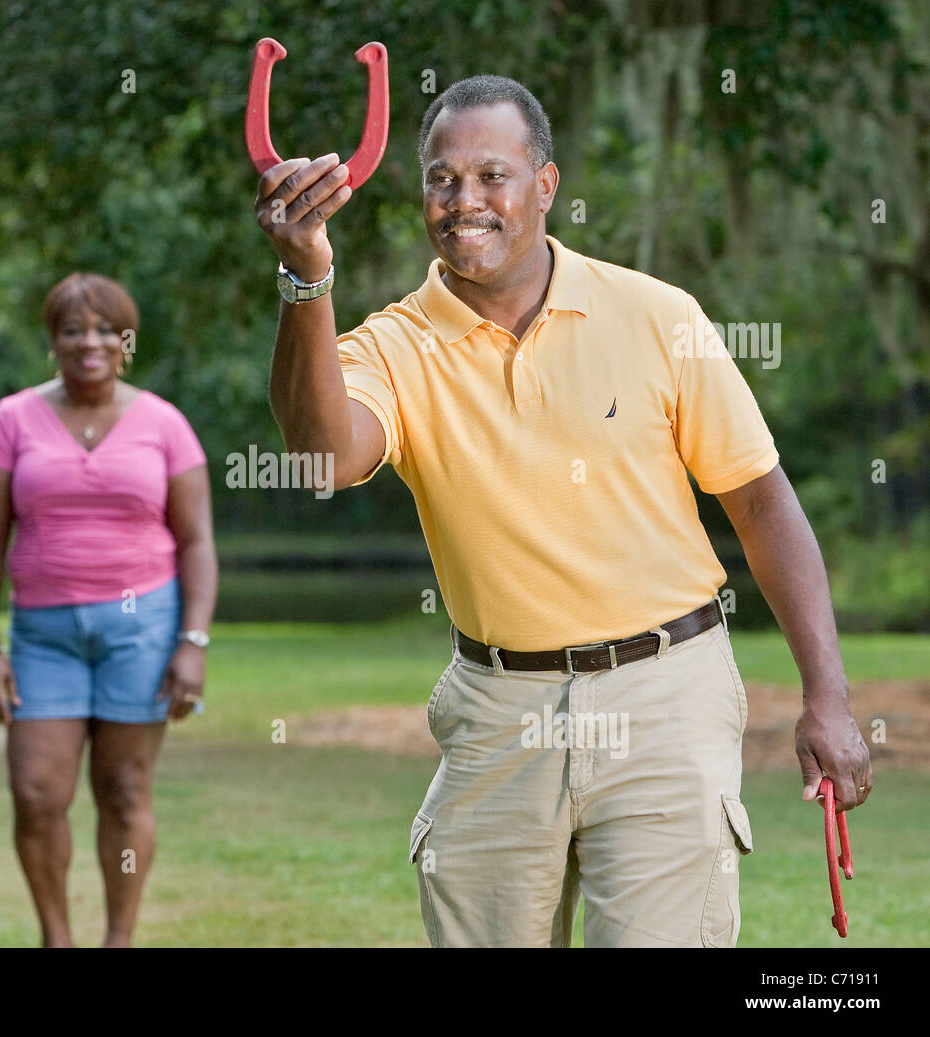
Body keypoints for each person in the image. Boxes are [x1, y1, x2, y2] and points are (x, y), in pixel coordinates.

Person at [254, 75, 873, 947]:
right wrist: (305, 278)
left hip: (668, 695)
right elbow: (324, 453)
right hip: (497, 710)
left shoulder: (659, 317)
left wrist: (829, 697)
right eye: (442, 178)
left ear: (545, 186)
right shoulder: (391, 343)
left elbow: (763, 502)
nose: (464, 200)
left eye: (491, 175)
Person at [0, 272, 216, 948]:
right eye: (73, 329)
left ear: (127, 340)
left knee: (125, 788)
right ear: (53, 341)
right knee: (38, 793)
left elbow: (197, 543)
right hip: (44, 637)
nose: (90, 341)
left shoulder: (165, 424)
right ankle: (57, 936)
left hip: (144, 632)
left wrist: (193, 641)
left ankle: (119, 938)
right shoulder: (11, 421)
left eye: (106, 328)